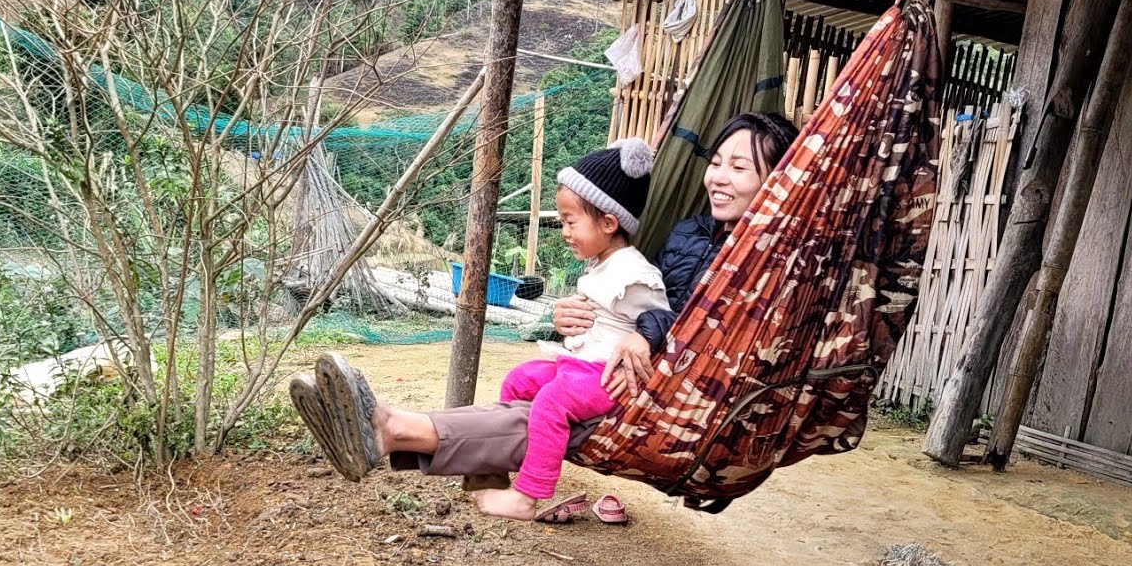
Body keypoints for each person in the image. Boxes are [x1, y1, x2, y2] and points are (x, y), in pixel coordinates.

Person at [289, 112, 798, 516]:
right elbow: (656, 300)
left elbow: (683, 321)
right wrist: (579, 315)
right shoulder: (689, 232)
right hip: (622, 363)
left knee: (549, 408)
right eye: (717, 161)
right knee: (526, 387)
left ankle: (392, 430)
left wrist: (646, 335)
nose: (720, 177)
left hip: (683, 399)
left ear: (778, 180)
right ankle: (393, 430)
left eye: (740, 167)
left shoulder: (779, 253)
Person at [471, 138, 668, 520]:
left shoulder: (635, 272)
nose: (563, 230)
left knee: (551, 402)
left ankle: (528, 496)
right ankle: (494, 470)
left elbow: (660, 317)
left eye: (570, 221)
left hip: (604, 376)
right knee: (519, 379)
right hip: (576, 365)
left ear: (609, 223)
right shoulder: (601, 262)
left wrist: (643, 336)